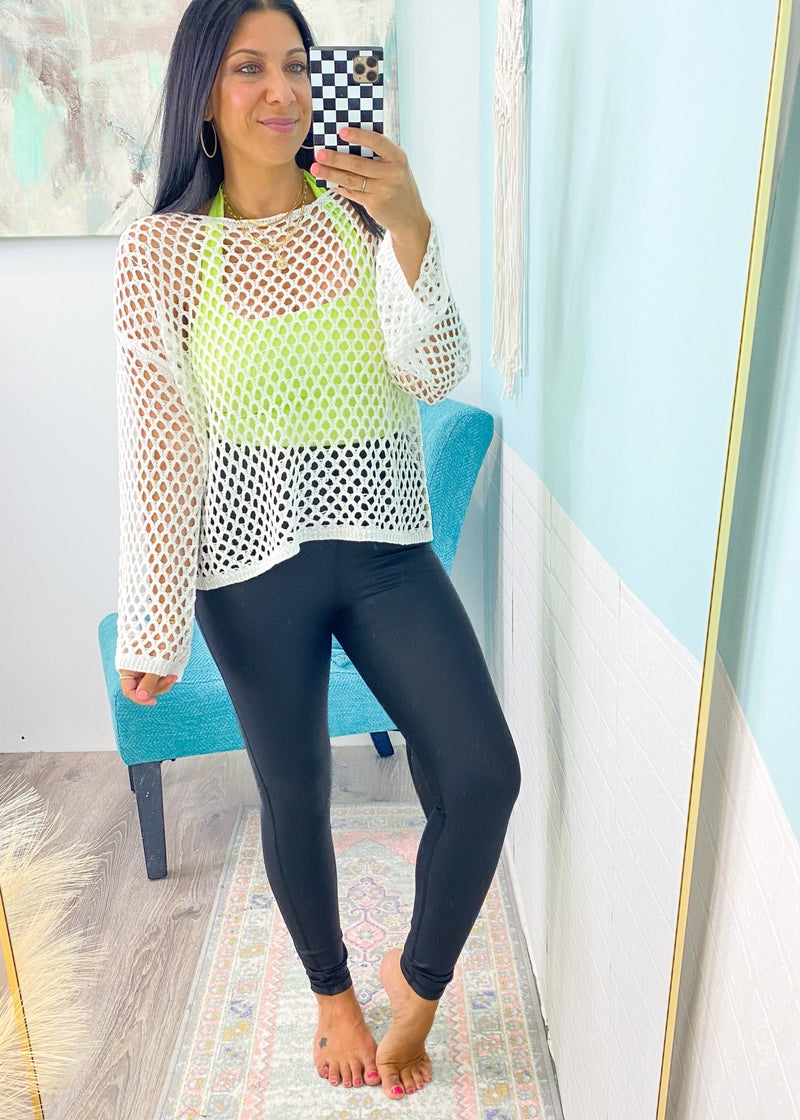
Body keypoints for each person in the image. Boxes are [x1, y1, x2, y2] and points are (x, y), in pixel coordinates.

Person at [113, 0, 520, 1101]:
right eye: (248, 68)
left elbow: (434, 370)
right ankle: (334, 991)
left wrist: (412, 224)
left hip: (384, 543)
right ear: (204, 93)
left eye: (294, 65)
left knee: (483, 773)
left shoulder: (359, 214)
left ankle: (414, 982)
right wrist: (152, 619)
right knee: (295, 793)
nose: (280, 90)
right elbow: (159, 445)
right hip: (246, 565)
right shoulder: (162, 253)